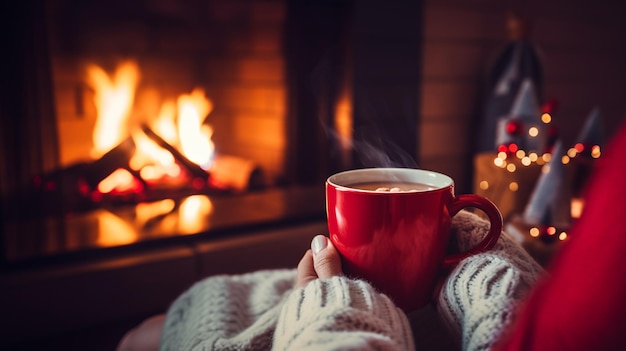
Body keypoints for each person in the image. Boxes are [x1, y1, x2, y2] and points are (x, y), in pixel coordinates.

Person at [119, 118, 626, 351]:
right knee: (163, 322)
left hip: (360, 313)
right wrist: (487, 275)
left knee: (144, 336)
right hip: (438, 305)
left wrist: (330, 305)